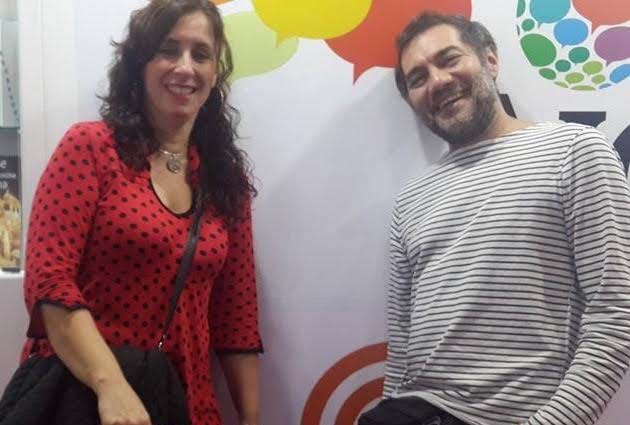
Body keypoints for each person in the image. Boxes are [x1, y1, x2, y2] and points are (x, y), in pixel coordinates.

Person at [382, 12, 630, 425]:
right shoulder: (411, 199)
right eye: (417, 78)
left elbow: (616, 313)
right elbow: (401, 340)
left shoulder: (573, 151)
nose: (437, 81)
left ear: (491, 60)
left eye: (449, 59)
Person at [21, 1, 262, 424]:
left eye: (201, 54)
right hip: (87, 400)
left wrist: (253, 418)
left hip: (186, 404)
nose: (185, 67)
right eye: (168, 50)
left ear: (215, 73)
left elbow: (236, 317)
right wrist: (112, 388)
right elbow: (50, 284)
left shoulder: (224, 180)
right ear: (139, 64)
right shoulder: (91, 149)